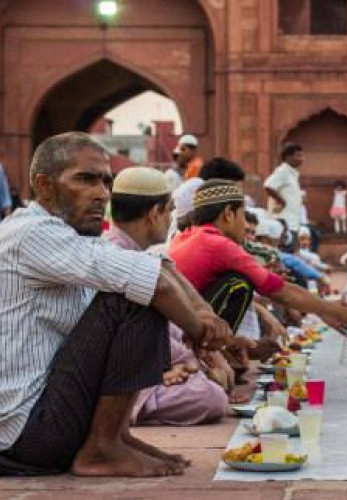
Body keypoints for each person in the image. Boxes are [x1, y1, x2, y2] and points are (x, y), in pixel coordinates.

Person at [0, 132, 232, 477]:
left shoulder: (72, 237)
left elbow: (158, 266)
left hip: (47, 422)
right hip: (27, 434)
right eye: (85, 179)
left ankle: (117, 437)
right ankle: (102, 448)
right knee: (135, 298)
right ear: (44, 186)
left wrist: (203, 314)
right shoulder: (32, 232)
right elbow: (152, 281)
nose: (101, 194)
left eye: (106, 182)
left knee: (137, 284)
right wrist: (203, 334)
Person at [102, 167, 229, 426]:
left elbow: (195, 309)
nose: (172, 217)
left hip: (157, 367)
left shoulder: (150, 255)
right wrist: (187, 363)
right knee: (210, 397)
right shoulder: (113, 257)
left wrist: (212, 351)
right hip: (115, 379)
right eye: (169, 210)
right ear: (153, 213)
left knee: (208, 386)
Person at [169, 179, 347, 333]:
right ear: (229, 214)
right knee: (239, 284)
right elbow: (281, 291)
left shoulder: (188, 237)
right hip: (183, 333)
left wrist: (323, 310)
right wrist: (340, 313)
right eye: (242, 214)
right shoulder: (219, 244)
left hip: (177, 326)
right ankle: (214, 350)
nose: (245, 223)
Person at [264, 143, 303, 251]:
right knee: (288, 253)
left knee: (293, 253)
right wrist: (282, 202)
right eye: (297, 155)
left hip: (292, 222)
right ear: (287, 157)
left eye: (301, 155)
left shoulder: (292, 174)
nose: (301, 159)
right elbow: (268, 186)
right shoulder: (283, 171)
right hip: (284, 222)